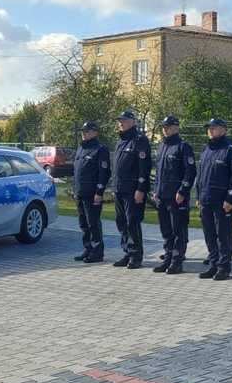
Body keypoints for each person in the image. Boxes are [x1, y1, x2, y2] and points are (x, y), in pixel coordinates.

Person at [195, 118, 232, 281]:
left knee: (223, 235)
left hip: (222, 201)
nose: (210, 130)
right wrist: (198, 196)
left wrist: (230, 199)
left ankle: (224, 267)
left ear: (224, 129)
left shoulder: (231, 150)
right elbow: (200, 175)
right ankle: (213, 264)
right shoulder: (206, 149)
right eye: (209, 128)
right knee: (209, 234)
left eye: (214, 128)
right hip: (206, 199)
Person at [152, 115, 196, 274]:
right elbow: (159, 172)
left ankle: (177, 261)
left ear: (176, 127)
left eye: (168, 127)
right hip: (162, 195)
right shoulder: (162, 146)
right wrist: (156, 190)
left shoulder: (183, 147)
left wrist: (183, 191)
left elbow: (190, 172)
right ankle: (168, 257)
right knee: (166, 230)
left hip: (177, 197)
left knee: (178, 230)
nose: (165, 129)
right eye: (163, 127)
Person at [111, 110, 152, 269]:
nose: (121, 123)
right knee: (121, 222)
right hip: (119, 189)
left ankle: (136, 255)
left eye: (125, 120)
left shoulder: (139, 140)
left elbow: (144, 167)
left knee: (132, 222)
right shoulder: (121, 141)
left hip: (133, 190)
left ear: (133, 122)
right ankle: (127, 252)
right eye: (120, 121)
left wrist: (141, 189)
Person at [72, 121, 110, 263]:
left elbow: (104, 172)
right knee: (83, 223)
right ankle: (87, 248)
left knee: (93, 223)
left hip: (92, 193)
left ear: (95, 132)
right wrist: (75, 189)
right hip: (80, 192)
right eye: (83, 131)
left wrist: (99, 192)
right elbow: (77, 171)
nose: (84, 133)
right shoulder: (81, 148)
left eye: (87, 131)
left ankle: (97, 252)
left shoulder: (100, 149)